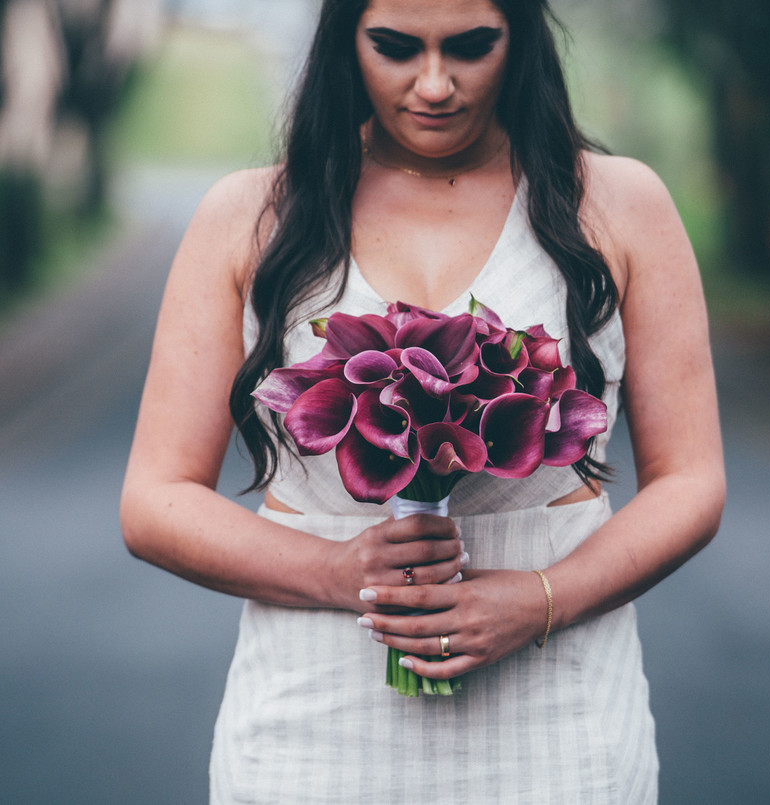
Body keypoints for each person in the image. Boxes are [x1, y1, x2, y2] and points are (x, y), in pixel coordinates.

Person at [120, 0, 725, 801]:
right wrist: (337, 572)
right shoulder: (254, 217)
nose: (434, 84)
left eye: (471, 46)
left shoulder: (618, 206)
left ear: (521, 37)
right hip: (314, 730)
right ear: (345, 40)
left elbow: (692, 480)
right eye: (396, 47)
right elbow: (155, 501)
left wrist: (543, 597)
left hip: (558, 721)